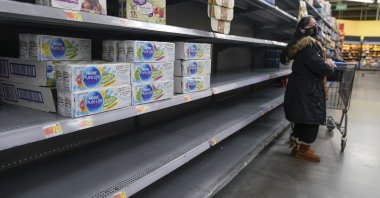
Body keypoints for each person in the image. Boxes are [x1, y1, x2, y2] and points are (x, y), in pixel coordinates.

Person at [280, 16, 336, 162]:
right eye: (313, 24)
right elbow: (323, 69)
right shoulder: (307, 47)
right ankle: (304, 150)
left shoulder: (304, 46)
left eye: (316, 24)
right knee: (311, 120)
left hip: (302, 89)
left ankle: (297, 145)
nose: (316, 26)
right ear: (304, 29)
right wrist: (329, 65)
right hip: (307, 90)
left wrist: (324, 62)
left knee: (302, 119)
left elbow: (313, 64)